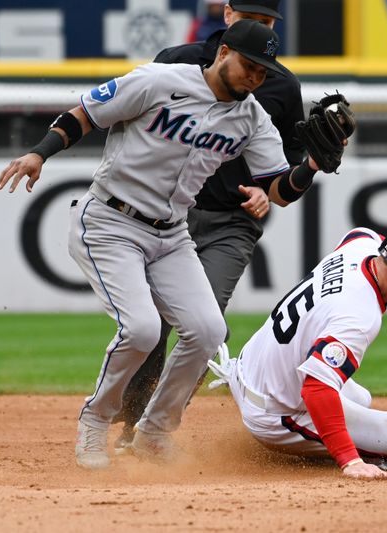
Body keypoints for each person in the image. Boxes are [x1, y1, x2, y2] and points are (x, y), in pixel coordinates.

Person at [0, 20, 333, 470]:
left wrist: (309, 164)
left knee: (209, 332)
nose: (255, 77)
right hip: (110, 222)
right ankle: (96, 421)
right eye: (249, 65)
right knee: (141, 329)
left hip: (171, 234)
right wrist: (39, 152)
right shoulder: (159, 81)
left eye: (262, 71)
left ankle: (153, 433)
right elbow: (86, 113)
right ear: (223, 51)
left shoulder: (252, 118)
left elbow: (277, 190)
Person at [112, 0, 308, 453]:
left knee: (206, 325)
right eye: (251, 19)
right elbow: (126, 121)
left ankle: (155, 428)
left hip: (231, 222)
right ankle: (131, 428)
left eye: (267, 22)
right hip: (162, 217)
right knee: (153, 325)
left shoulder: (280, 86)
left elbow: (288, 170)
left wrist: (271, 189)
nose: (260, 29)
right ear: (228, 16)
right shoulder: (174, 63)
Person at [206, 219, 387, 479]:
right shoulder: (359, 316)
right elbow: (316, 389)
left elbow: (364, 232)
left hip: (251, 368)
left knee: (360, 398)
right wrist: (349, 460)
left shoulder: (360, 248)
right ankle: (348, 462)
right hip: (273, 415)